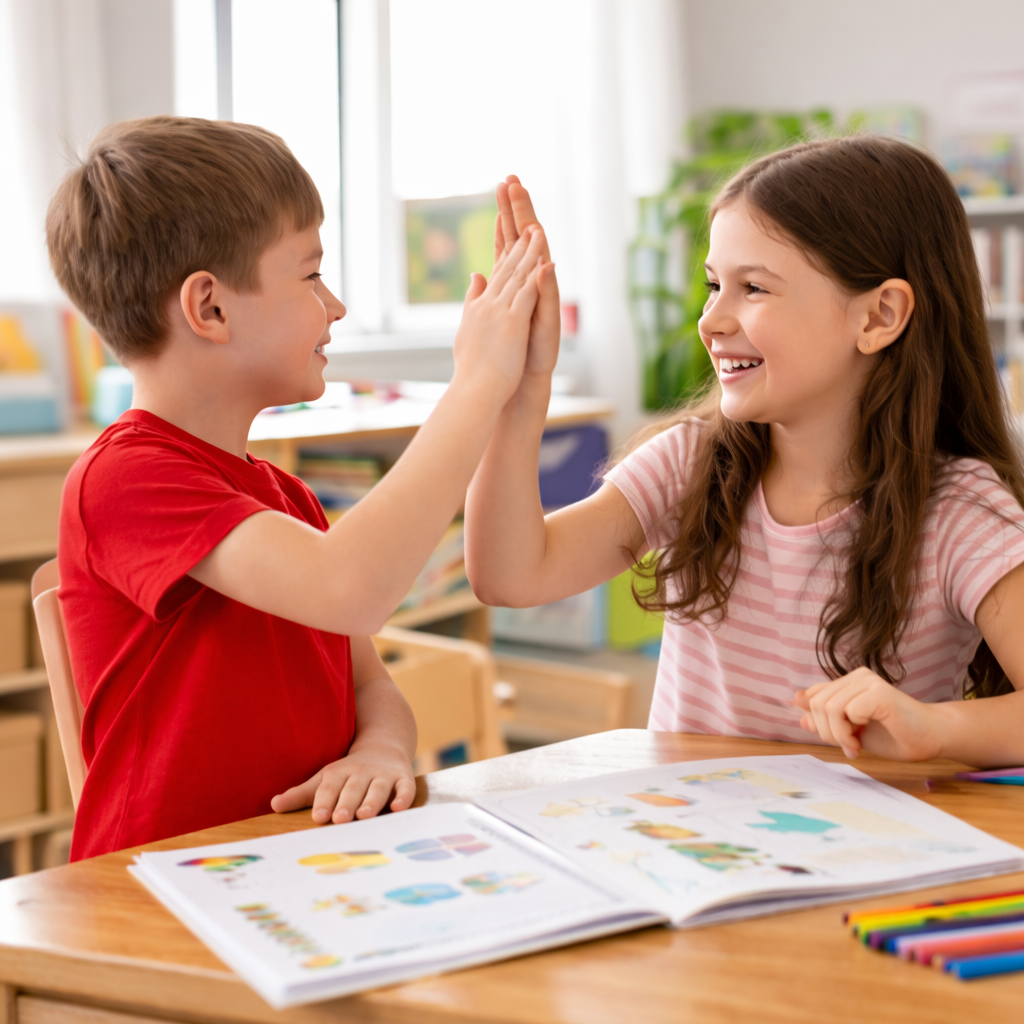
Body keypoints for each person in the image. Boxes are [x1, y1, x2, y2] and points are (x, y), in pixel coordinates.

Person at [47, 117, 556, 859]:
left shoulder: (287, 500)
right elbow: (350, 585)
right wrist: (478, 383)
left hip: (302, 867)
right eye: (311, 274)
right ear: (209, 308)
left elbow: (371, 690)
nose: (337, 305)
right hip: (161, 891)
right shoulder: (123, 478)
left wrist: (381, 750)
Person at [466, 134, 1024, 768]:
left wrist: (934, 728)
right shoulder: (689, 464)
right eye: (713, 285)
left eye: (753, 288)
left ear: (878, 317)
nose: (710, 320)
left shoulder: (957, 510)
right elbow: (508, 576)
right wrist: (516, 390)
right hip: (689, 850)